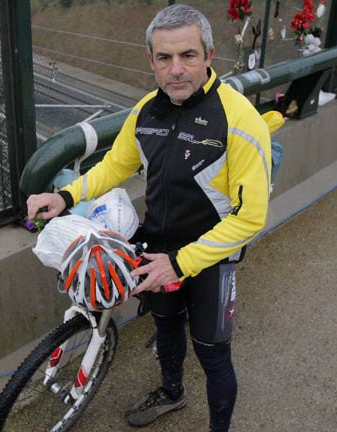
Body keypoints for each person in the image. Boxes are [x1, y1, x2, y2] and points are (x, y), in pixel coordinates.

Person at [26, 4, 272, 431]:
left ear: (209, 56)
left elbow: (250, 218)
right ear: (152, 62)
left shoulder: (240, 121)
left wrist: (179, 263)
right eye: (164, 57)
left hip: (210, 259)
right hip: (157, 247)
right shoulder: (146, 112)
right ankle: (173, 392)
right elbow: (114, 166)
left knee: (213, 355)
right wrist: (65, 196)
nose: (176, 69)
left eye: (188, 55)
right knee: (167, 326)